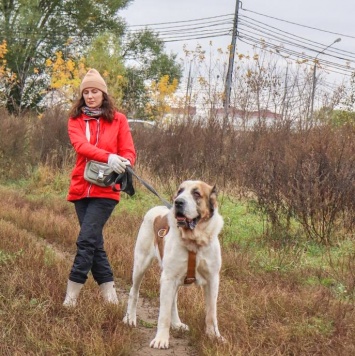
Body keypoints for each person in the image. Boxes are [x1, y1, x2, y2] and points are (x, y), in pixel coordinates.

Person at [63, 68, 136, 307]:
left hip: (106, 191)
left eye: (95, 91)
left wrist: (124, 161)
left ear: (103, 93)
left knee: (86, 240)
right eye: (86, 92)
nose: (90, 96)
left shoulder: (119, 120)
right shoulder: (75, 120)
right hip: (81, 189)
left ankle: (71, 297)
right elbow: (81, 146)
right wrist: (108, 157)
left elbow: (128, 151)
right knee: (95, 242)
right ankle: (110, 295)